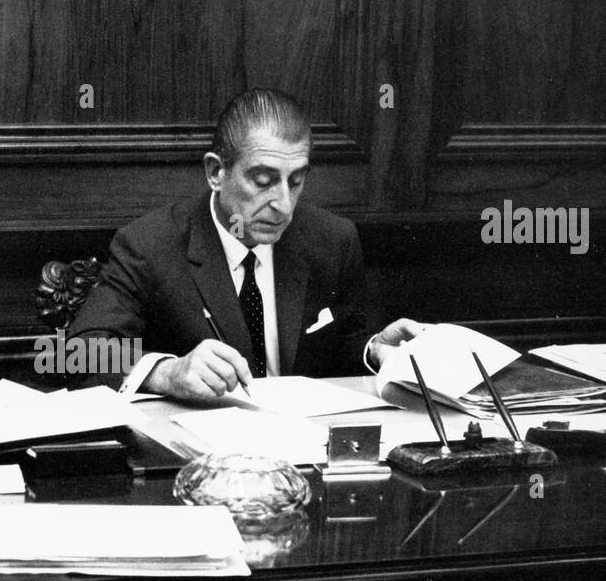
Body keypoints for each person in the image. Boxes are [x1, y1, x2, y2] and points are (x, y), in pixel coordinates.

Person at [66, 88, 423, 399]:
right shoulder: (151, 244)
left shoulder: (331, 239)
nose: (283, 204)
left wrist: (374, 350)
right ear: (215, 173)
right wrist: (167, 374)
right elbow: (81, 351)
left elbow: (342, 348)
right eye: (263, 180)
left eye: (295, 181)